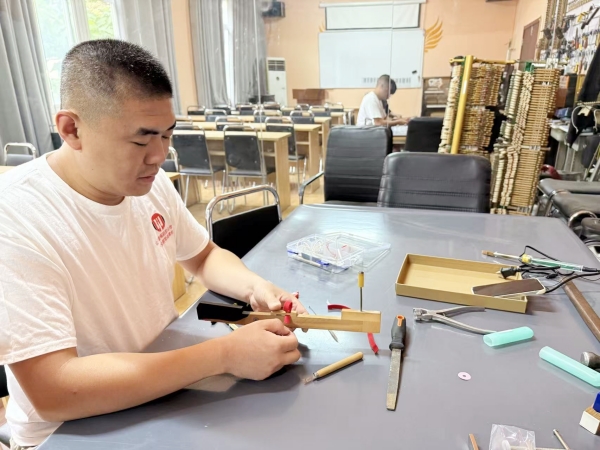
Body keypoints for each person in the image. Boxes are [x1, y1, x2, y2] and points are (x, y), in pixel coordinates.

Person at [0, 39, 306, 450]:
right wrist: (224, 355)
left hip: (164, 387)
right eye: (141, 141)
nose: (159, 156)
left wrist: (256, 287)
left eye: (167, 135)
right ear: (72, 129)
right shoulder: (15, 218)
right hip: (73, 431)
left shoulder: (150, 183)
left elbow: (204, 257)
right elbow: (54, 391)